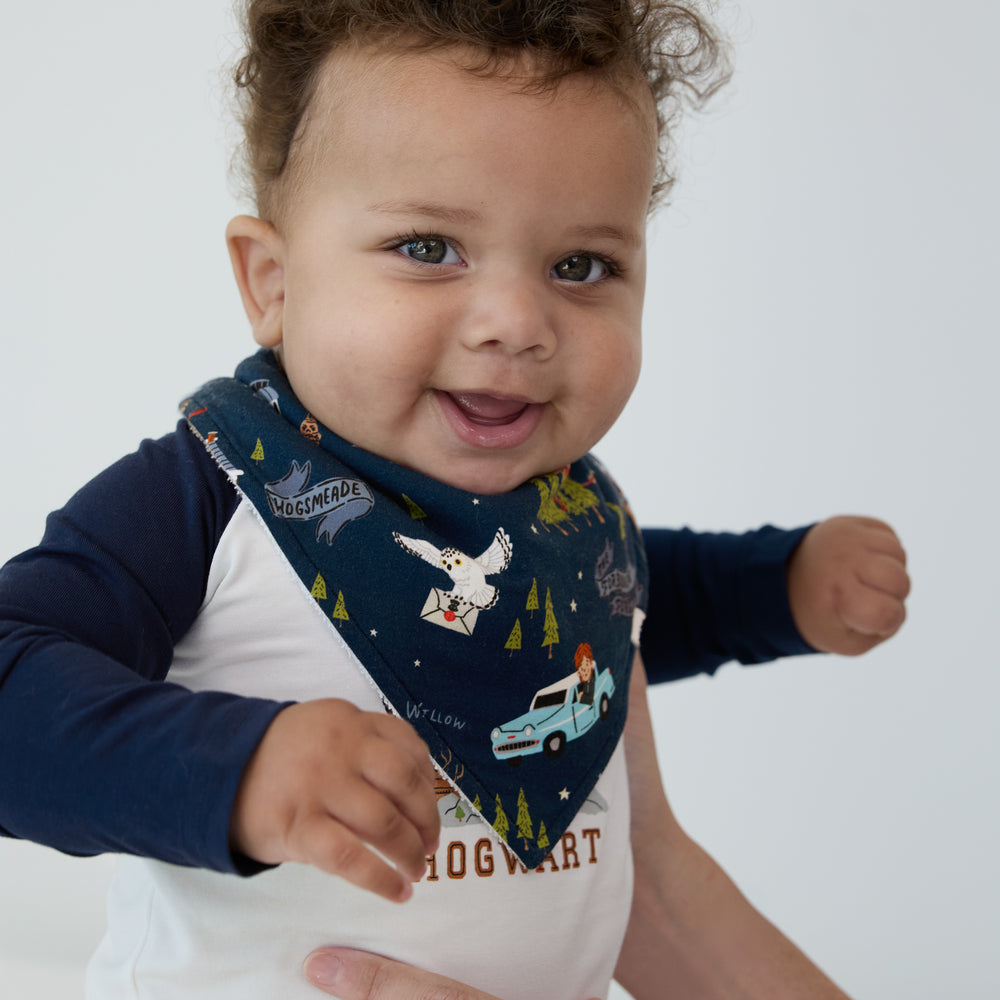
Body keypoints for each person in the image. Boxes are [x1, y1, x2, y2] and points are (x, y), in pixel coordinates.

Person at [0, 2, 910, 998]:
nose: (517, 322)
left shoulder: (567, 515)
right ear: (272, 282)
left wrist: (777, 584)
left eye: (580, 265)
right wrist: (242, 769)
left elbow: (615, 609)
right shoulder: (210, 494)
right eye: (428, 246)